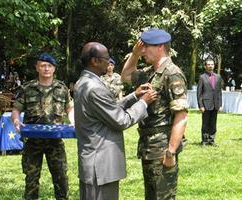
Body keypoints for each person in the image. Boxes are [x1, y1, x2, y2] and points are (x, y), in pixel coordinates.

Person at [74, 42, 157, 200]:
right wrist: (144, 102)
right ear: (95, 61)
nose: (109, 61)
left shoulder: (84, 82)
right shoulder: (94, 88)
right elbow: (121, 120)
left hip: (94, 161)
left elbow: (107, 110)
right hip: (100, 165)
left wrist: (134, 96)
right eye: (106, 58)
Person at [121, 28, 188, 200]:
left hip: (162, 149)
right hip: (149, 148)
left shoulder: (172, 73)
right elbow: (126, 76)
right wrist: (134, 55)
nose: (142, 51)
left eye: (146, 47)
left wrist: (171, 152)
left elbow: (181, 116)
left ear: (159, 47)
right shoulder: (150, 73)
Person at [11, 53, 73, 200]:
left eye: (49, 66)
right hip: (33, 142)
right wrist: (16, 121)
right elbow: (16, 109)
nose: (46, 68)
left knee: (61, 177)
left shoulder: (61, 88)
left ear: (54, 69)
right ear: (37, 68)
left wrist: (73, 122)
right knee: (31, 179)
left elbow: (70, 109)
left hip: (55, 141)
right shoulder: (27, 88)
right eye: (43, 65)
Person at [197, 58, 222, 146]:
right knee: (205, 123)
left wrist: (220, 105)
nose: (210, 66)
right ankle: (204, 140)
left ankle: (212, 140)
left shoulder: (218, 77)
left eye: (212, 64)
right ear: (205, 66)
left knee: (213, 123)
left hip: (215, 104)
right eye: (208, 64)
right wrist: (201, 105)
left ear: (214, 66)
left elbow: (219, 92)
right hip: (206, 104)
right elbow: (199, 93)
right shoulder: (202, 77)